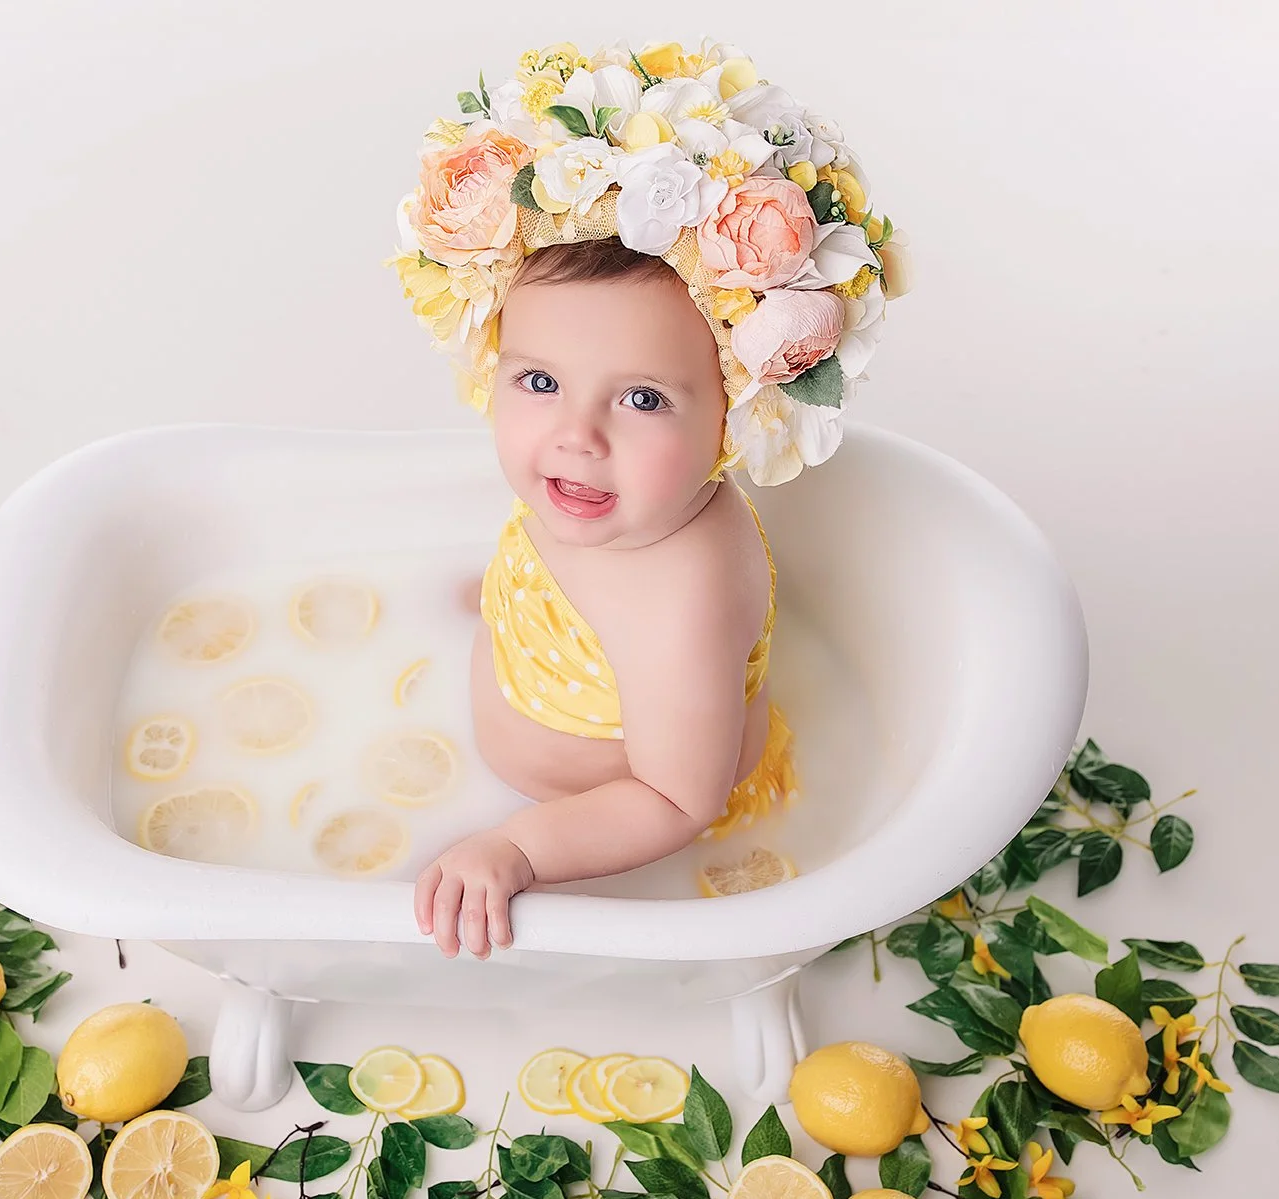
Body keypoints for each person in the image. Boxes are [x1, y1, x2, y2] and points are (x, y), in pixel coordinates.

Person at [388, 38, 910, 958]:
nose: (576, 437)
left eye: (642, 399)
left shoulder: (680, 597)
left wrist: (513, 847)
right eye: (538, 381)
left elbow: (675, 797)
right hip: (550, 734)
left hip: (610, 828)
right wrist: (509, 607)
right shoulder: (611, 496)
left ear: (737, 412)